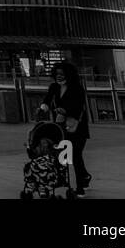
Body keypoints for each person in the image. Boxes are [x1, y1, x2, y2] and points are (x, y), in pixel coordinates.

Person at [39, 62, 91, 196]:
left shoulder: (77, 88)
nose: (59, 76)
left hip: (77, 127)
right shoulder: (54, 87)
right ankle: (84, 176)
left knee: (76, 156)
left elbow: (79, 106)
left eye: (62, 74)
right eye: (57, 74)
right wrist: (44, 105)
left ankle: (80, 187)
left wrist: (66, 111)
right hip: (61, 127)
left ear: (69, 75)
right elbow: (48, 98)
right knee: (67, 156)